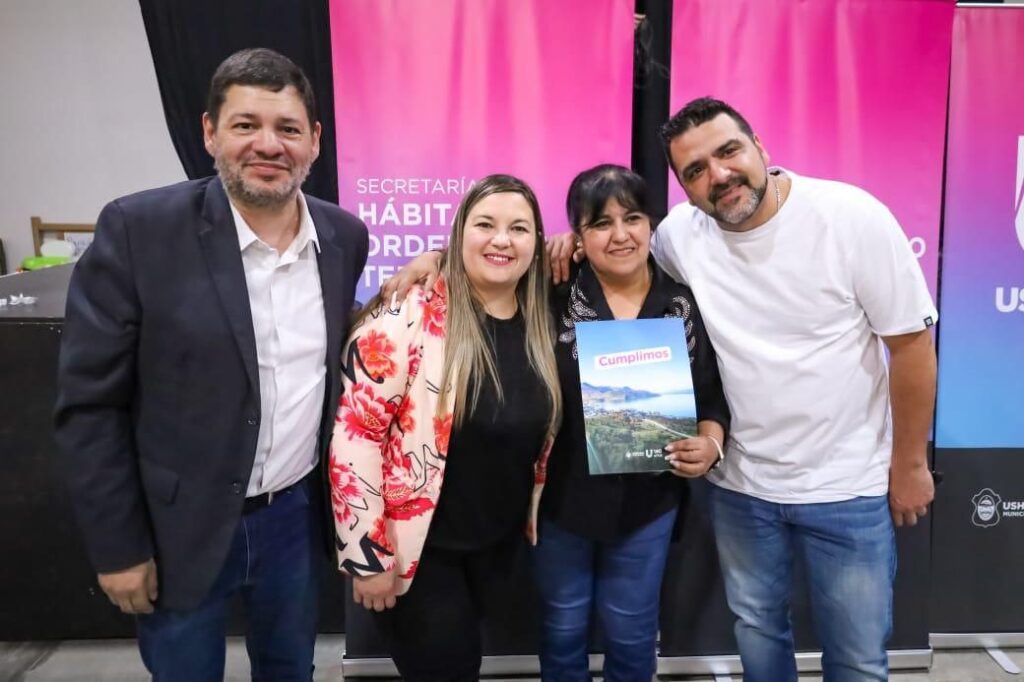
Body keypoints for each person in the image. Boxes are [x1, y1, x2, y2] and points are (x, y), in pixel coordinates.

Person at [548, 97, 938, 681]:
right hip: (740, 487)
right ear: (683, 189)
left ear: (760, 146)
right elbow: (614, 245)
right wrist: (562, 243)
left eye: (728, 151)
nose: (719, 174)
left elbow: (910, 345)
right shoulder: (679, 236)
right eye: (695, 170)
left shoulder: (851, 217)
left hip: (847, 484)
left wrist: (910, 464)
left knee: (857, 655)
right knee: (757, 633)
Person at [54, 48, 369, 681]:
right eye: (245, 125)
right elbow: (90, 408)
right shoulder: (140, 231)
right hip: (179, 527)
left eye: (287, 128)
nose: (268, 145)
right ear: (209, 133)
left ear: (314, 141)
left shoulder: (343, 237)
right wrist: (118, 547)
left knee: (291, 669)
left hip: (294, 521)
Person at [329, 174, 562, 680]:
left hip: (496, 549)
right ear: (458, 234)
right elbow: (355, 437)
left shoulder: (543, 317)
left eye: (519, 228)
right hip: (420, 554)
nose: (502, 240)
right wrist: (366, 555)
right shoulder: (406, 315)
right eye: (485, 224)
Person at [533, 165, 730, 681]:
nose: (620, 234)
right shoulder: (551, 295)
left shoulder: (681, 303)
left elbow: (712, 397)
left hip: (648, 502)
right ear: (578, 236)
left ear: (651, 225)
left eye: (633, 218)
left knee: (631, 632)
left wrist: (710, 444)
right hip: (560, 501)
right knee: (562, 627)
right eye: (601, 223)